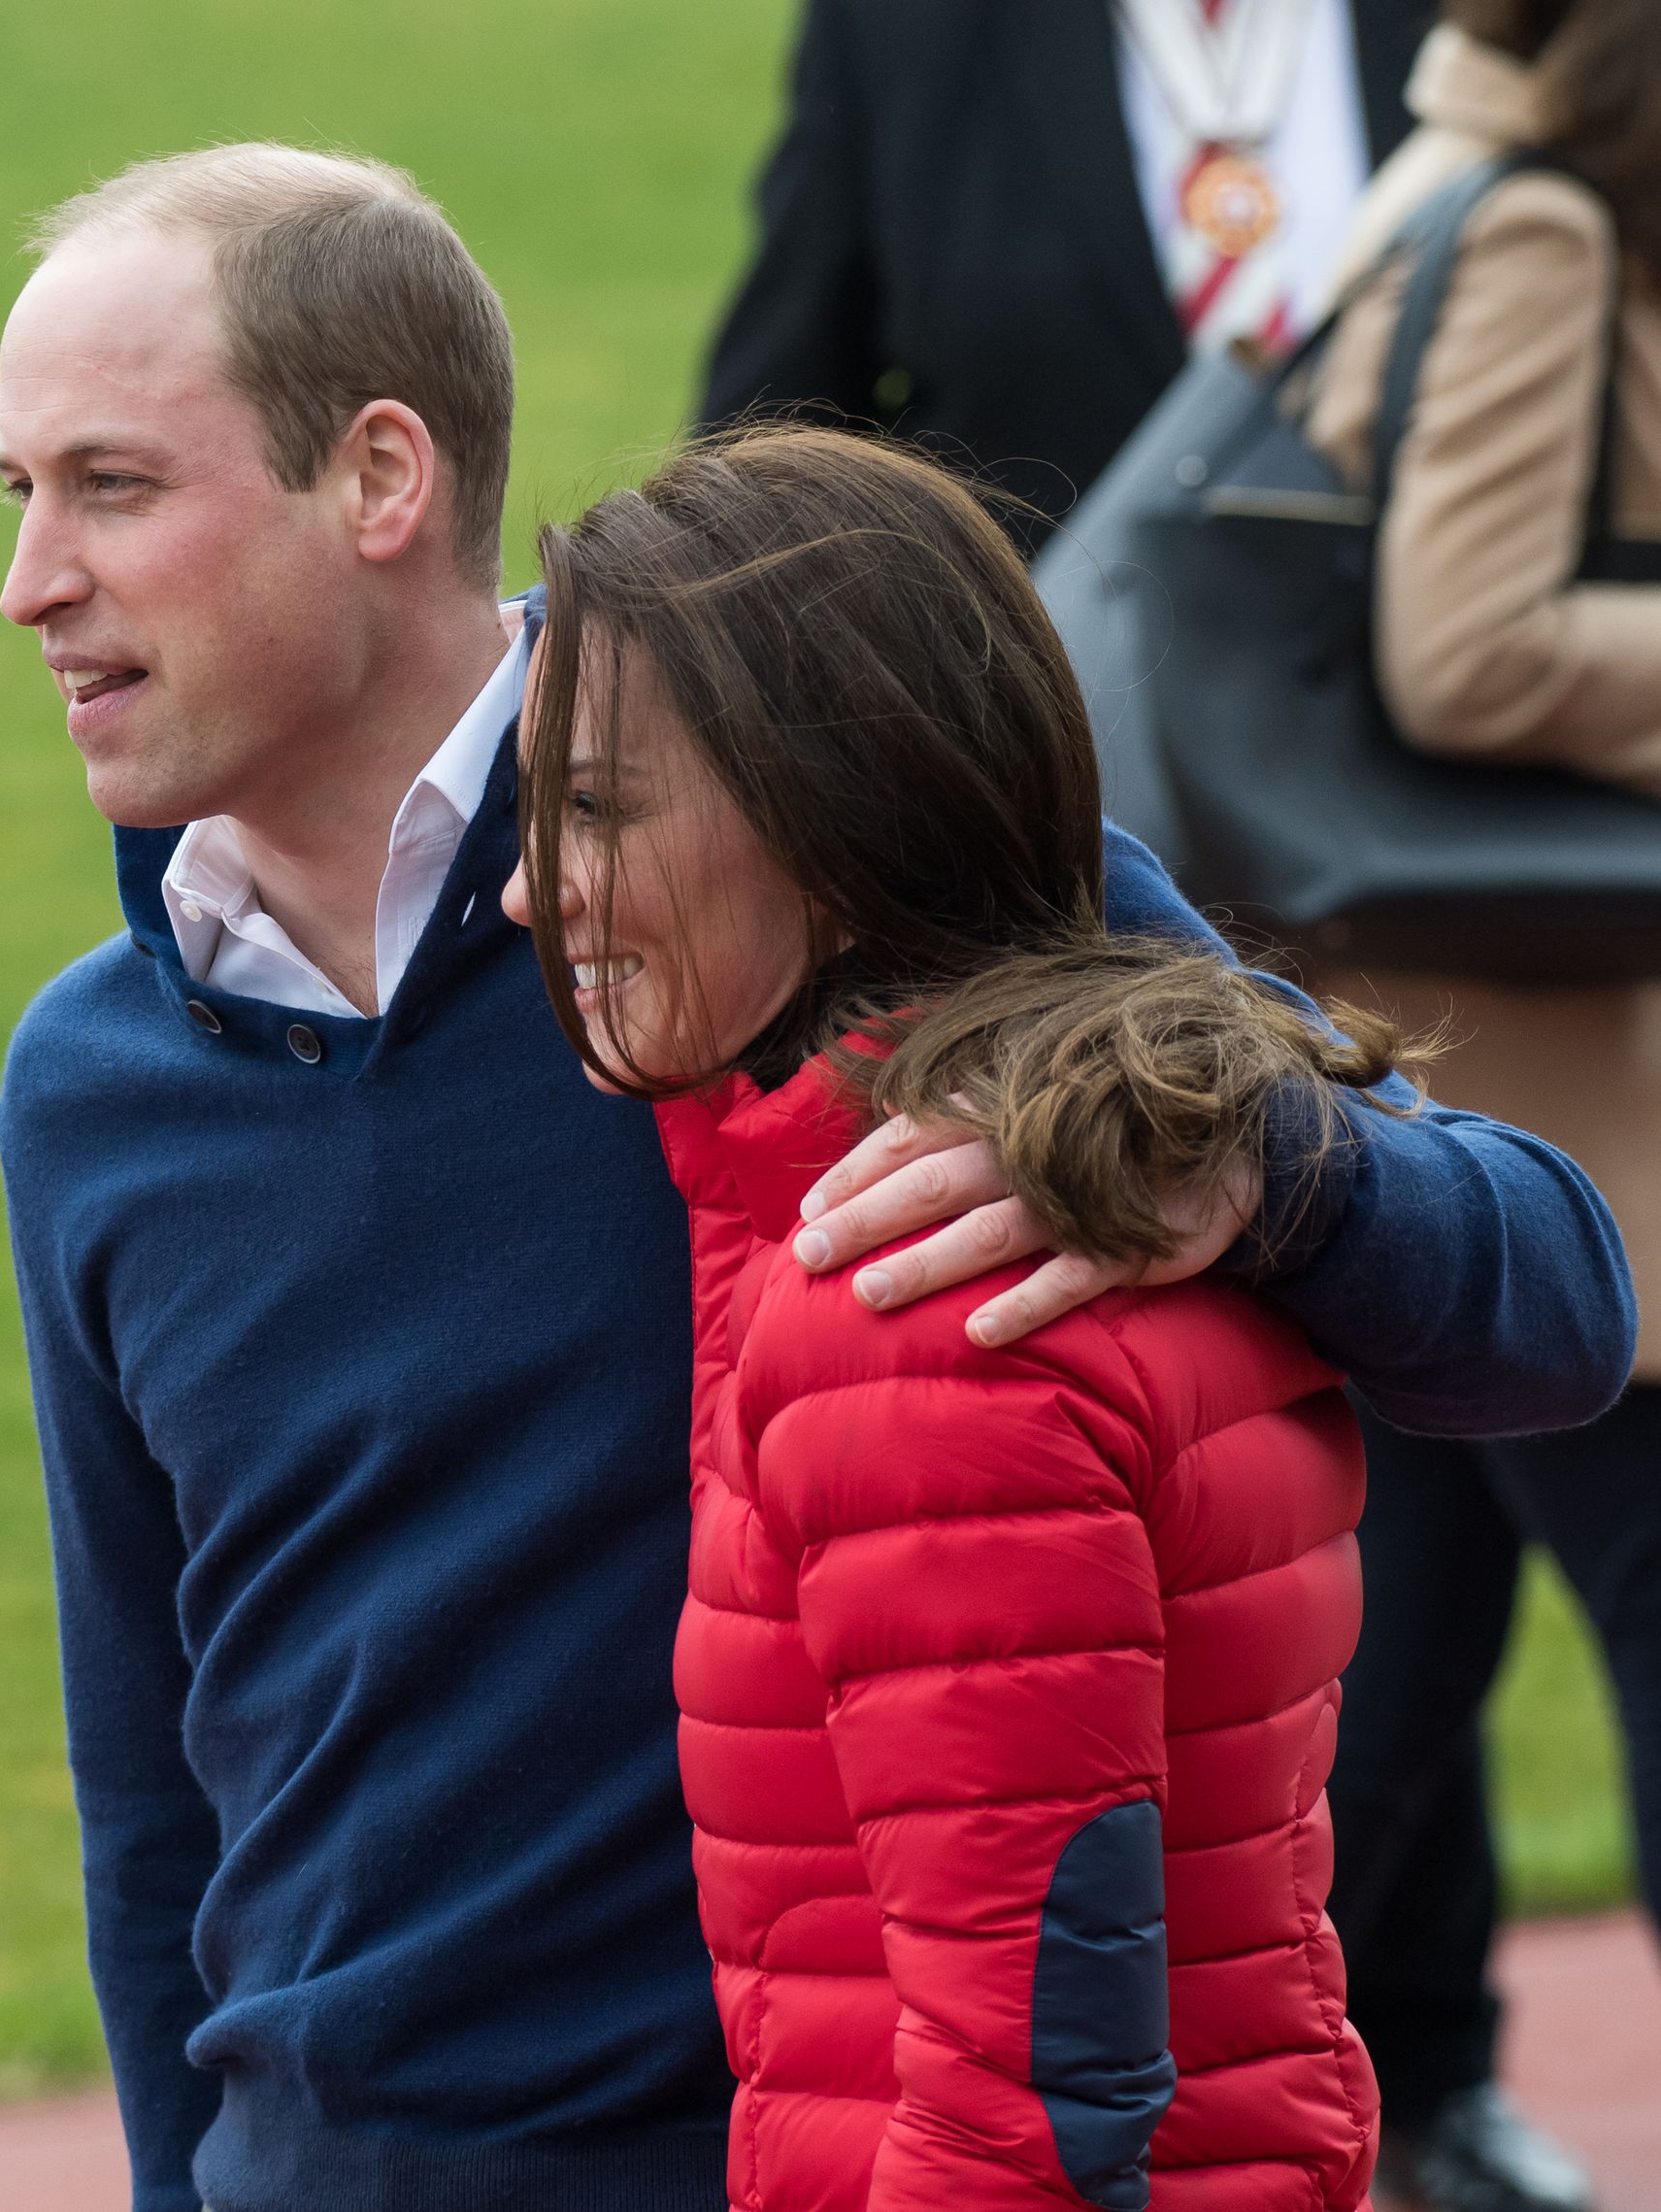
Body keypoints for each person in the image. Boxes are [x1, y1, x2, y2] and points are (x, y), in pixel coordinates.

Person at [0, 143, 1632, 2212]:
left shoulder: (793, 880)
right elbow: (152, 1786)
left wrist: (1250, 1158)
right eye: (17, 493)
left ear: (380, 479)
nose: (32, 576)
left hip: (812, 2158)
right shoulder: (91, 1080)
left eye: (111, 485)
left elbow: (1559, 1300)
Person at [500, 421, 1406, 2208]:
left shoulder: (908, 1312)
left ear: (834, 833)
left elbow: (1033, 2098)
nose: (533, 892)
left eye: (595, 810)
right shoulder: (1120, 1162)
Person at [1300, 4, 1661, 2204]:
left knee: (1361, 1687)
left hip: (1457, 1079)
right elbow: (1463, 640)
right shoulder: (1523, 224)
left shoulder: (1480, 179)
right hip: (1544, 1094)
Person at [700, 0, 1433, 549]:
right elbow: (768, 444)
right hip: (1040, 711)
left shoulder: (1509, 27)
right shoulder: (903, 25)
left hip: (1429, 713)